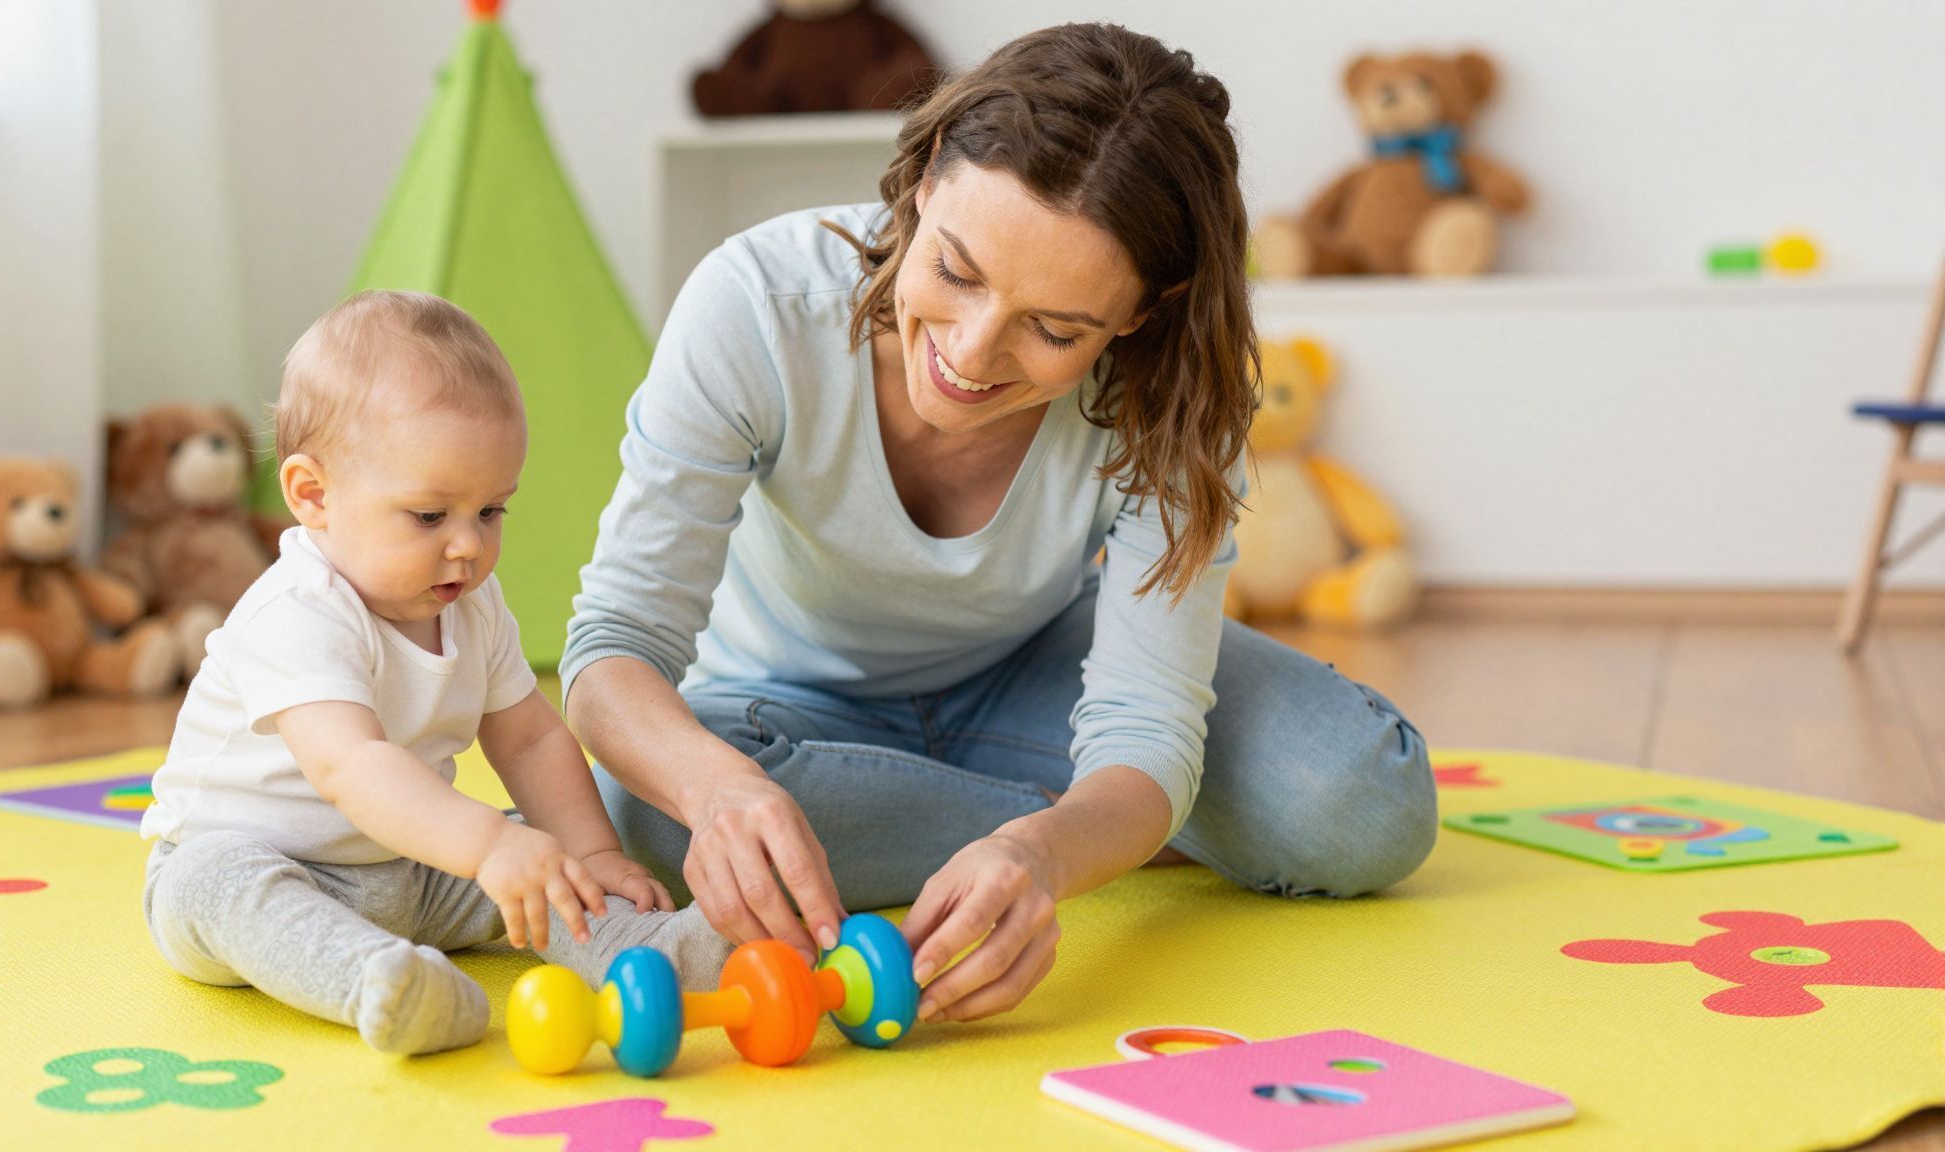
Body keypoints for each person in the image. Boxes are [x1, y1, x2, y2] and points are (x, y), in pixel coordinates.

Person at [564, 24, 1436, 1028]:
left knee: (1362, 805)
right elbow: (612, 652)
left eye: (1055, 329)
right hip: (784, 709)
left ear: (1143, 312)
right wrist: (719, 792)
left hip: (1037, 674)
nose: (972, 355)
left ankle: (1027, 823)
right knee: (645, 813)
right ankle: (1120, 825)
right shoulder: (757, 306)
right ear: (928, 179)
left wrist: (1039, 859)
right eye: (956, 270)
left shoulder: (1174, 395)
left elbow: (1144, 724)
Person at [139, 291, 728, 1055]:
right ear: (313, 495)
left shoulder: (472, 605)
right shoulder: (295, 613)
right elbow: (352, 765)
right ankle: (381, 983)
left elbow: (530, 740)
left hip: (410, 867)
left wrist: (590, 855)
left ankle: (641, 949)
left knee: (534, 860)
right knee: (218, 886)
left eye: (491, 512)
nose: (467, 548)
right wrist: (486, 847)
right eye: (429, 516)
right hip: (259, 864)